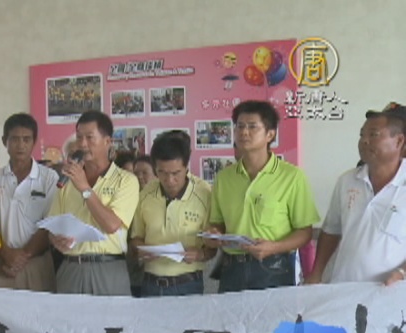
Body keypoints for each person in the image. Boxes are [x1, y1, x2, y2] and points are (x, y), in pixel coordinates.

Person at [205, 100, 320, 293]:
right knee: (229, 314)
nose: (244, 132)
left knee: (274, 314)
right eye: (239, 126)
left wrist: (274, 247)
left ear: (270, 134)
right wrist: (213, 234)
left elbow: (304, 232)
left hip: (274, 267)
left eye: (252, 127)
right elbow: (218, 224)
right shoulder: (224, 178)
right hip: (232, 268)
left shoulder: (291, 176)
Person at [305, 106, 406, 285]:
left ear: (399, 141)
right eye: (361, 135)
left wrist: (402, 272)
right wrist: (316, 273)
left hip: (389, 291)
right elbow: (331, 232)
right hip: (342, 287)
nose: (364, 141)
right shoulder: (347, 180)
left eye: (373, 135)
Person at [47, 110, 139, 295]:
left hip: (108, 268)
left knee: (112, 315)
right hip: (71, 267)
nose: (82, 144)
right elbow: (53, 226)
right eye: (79, 137)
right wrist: (56, 240)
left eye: (90, 137)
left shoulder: (126, 180)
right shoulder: (67, 180)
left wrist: (84, 188)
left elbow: (111, 225)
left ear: (107, 141)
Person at [131, 135, 214, 296]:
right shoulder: (145, 194)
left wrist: (201, 254)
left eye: (176, 173)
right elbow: (136, 238)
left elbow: (213, 246)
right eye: (162, 172)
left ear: (186, 167)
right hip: (151, 283)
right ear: (155, 168)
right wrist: (141, 250)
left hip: (188, 284)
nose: (169, 180)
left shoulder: (204, 195)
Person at [0, 113, 58, 291]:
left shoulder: (49, 178)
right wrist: (6, 253)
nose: (21, 145)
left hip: (37, 263)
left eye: (26, 139)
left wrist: (23, 256)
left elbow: (50, 224)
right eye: (15, 139)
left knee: (39, 309)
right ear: (4, 141)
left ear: (34, 141)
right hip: (2, 262)